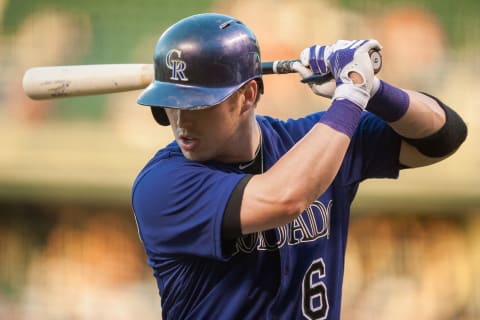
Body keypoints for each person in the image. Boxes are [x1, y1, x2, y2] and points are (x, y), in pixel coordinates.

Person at [131, 13, 467, 320]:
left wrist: (372, 89)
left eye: (198, 105)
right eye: (171, 103)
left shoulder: (312, 140)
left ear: (247, 96)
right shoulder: (162, 184)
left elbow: (443, 135)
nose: (181, 120)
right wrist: (349, 97)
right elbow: (286, 198)